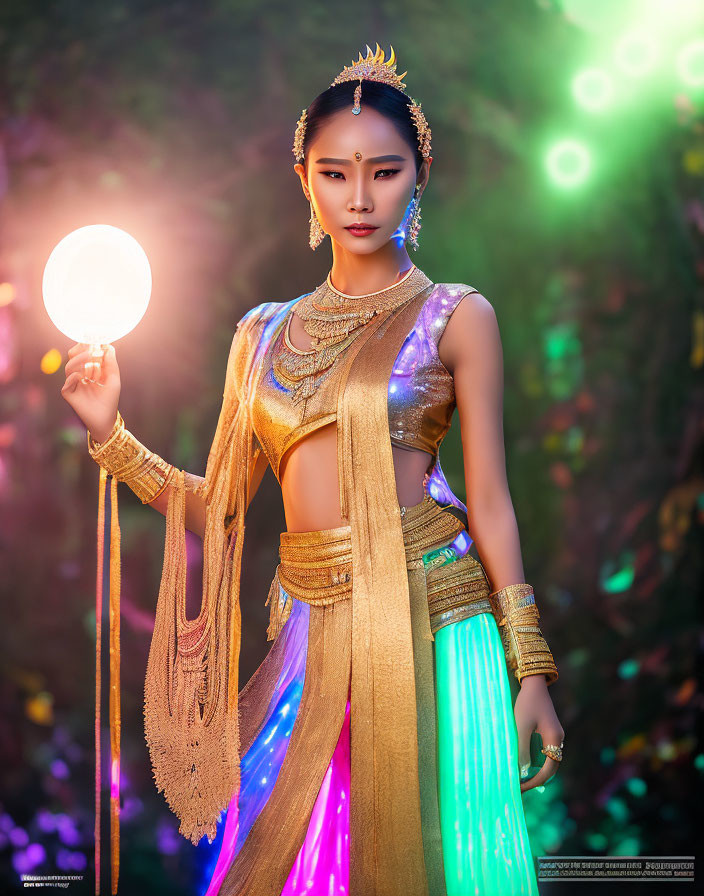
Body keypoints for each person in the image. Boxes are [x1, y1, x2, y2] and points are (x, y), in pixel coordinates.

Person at [61, 43, 565, 896]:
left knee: (446, 860)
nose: (360, 198)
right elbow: (221, 509)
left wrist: (533, 671)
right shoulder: (261, 334)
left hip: (438, 624)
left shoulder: (455, 318)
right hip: (310, 630)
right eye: (336, 173)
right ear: (304, 178)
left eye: (384, 172)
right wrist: (111, 433)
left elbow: (492, 505)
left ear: (420, 173)